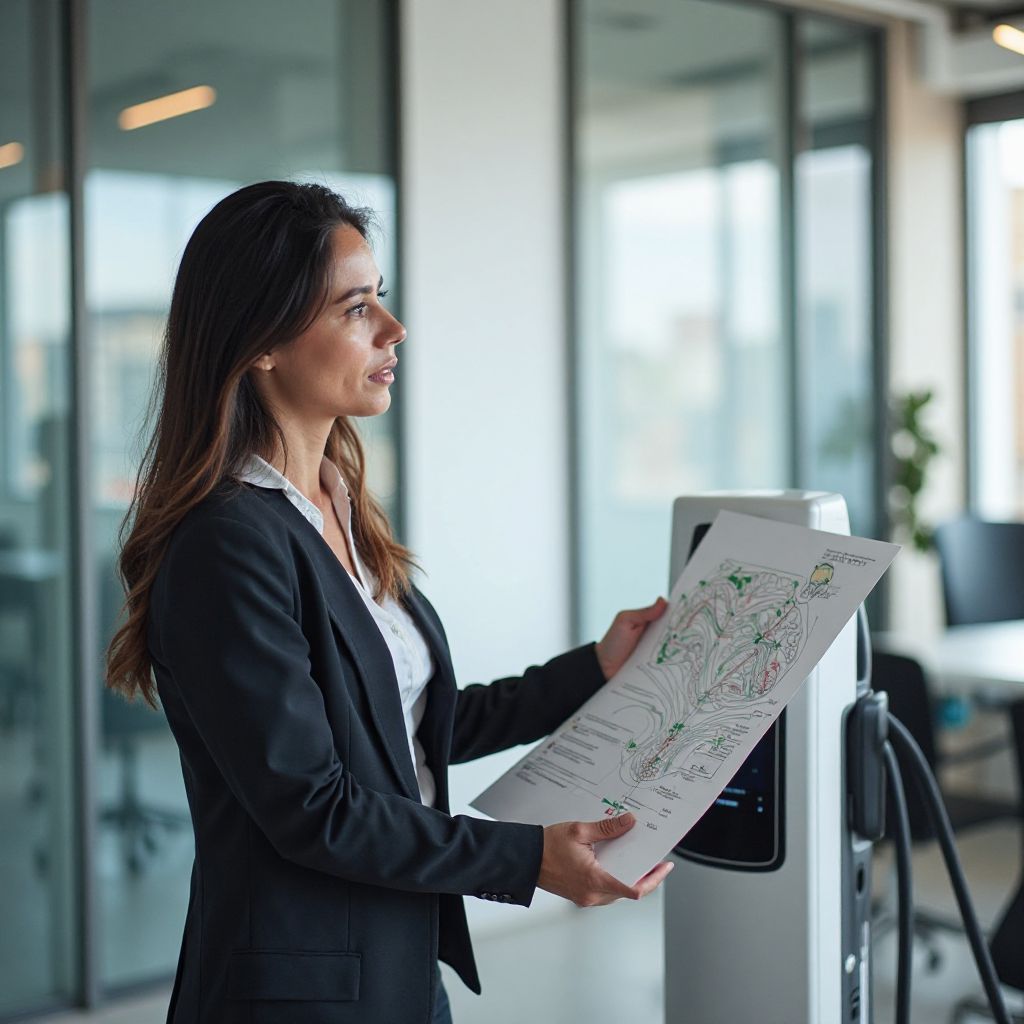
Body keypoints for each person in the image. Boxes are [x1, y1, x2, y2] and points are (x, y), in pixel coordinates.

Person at [106, 180, 673, 1024]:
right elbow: (314, 806)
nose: (393, 328)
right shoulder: (227, 545)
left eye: (383, 299)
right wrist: (527, 860)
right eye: (356, 307)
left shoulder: (338, 505)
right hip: (301, 994)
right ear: (262, 341)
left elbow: (411, 731)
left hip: (398, 961)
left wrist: (593, 670)